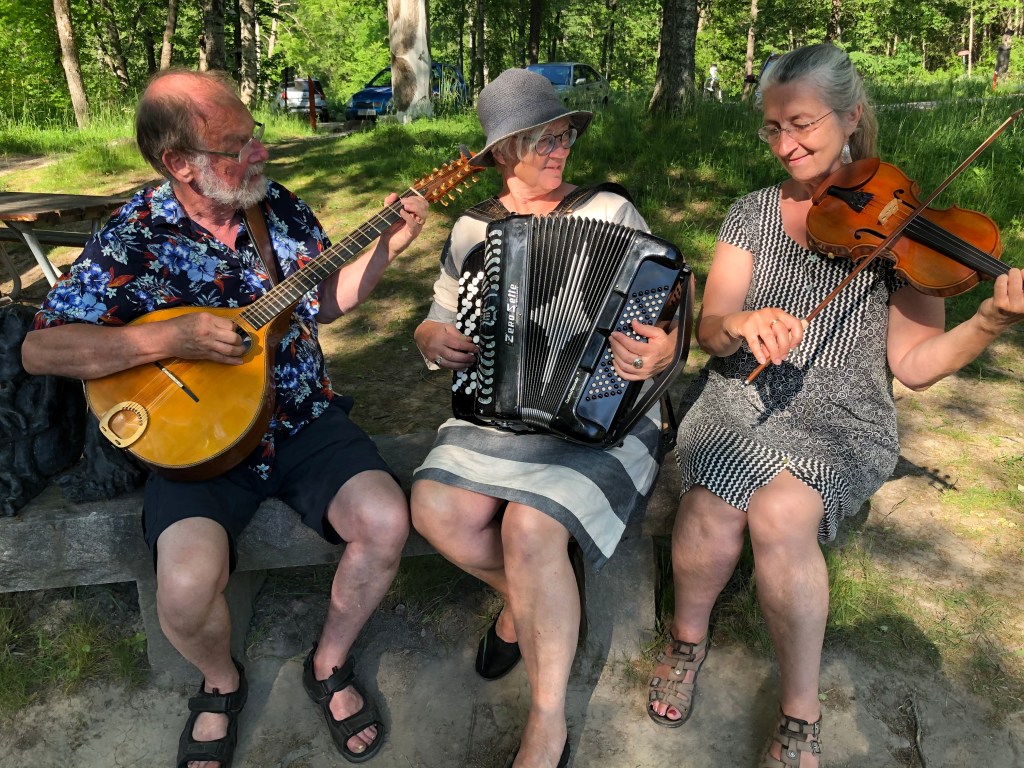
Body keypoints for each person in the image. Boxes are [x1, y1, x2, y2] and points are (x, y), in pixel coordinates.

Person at [21, 69, 428, 768]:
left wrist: (389, 245)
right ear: (180, 162)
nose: (261, 151)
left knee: (386, 521)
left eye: (253, 134)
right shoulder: (132, 238)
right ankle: (220, 682)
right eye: (238, 145)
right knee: (183, 591)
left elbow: (322, 304)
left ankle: (329, 662)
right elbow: (40, 349)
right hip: (196, 444)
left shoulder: (280, 209)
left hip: (301, 419)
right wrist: (167, 338)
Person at [647, 43, 1023, 767]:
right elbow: (709, 329)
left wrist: (988, 322)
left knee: (782, 513)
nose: (785, 145)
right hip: (741, 398)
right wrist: (741, 324)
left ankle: (800, 709)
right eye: (772, 128)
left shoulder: (903, 225)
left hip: (844, 418)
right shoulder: (752, 214)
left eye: (802, 125)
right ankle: (686, 640)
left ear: (850, 117)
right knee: (711, 503)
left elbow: (914, 366)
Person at [410, 68, 680, 768]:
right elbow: (440, 314)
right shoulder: (473, 228)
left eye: (564, 137)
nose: (560, 151)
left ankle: (547, 719)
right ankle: (524, 601)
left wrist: (661, 349)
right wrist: (429, 336)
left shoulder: (610, 212)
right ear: (502, 151)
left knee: (529, 529)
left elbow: (670, 314)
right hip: (499, 412)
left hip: (603, 411)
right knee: (434, 509)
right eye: (542, 141)